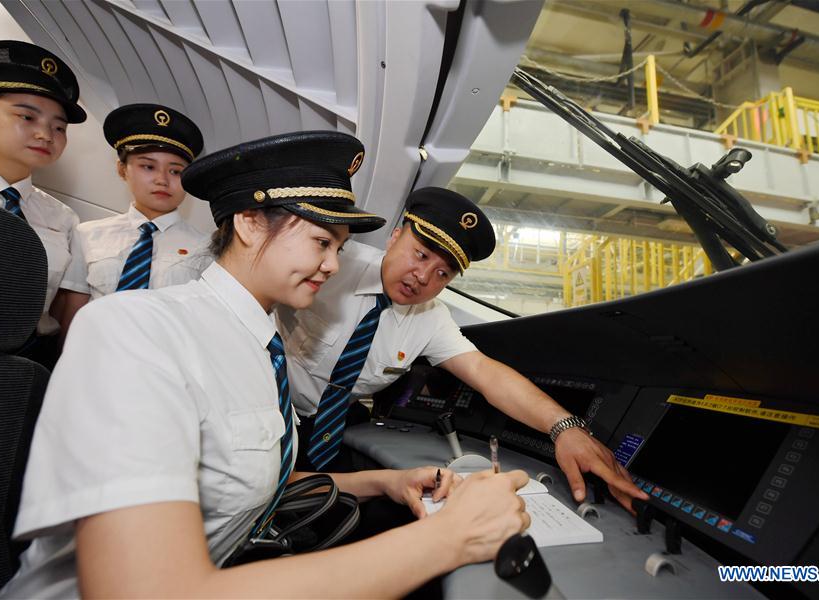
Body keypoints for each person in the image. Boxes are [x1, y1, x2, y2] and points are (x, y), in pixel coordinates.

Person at [0, 131, 530, 599]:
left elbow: (249, 480)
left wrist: (388, 481)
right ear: (250, 224)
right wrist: (448, 538)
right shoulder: (134, 332)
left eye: (340, 248)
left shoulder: (262, 343)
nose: (332, 265)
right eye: (323, 241)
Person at [277, 186, 649, 511]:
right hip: (276, 412)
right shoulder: (330, 262)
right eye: (421, 254)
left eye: (443, 273)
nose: (423, 277)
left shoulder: (430, 317)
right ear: (394, 236)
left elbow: (485, 373)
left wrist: (564, 428)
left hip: (334, 429)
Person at [56, 103, 211, 341]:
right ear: (122, 169)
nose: (161, 180)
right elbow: (72, 316)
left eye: (176, 171)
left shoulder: (207, 249)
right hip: (94, 356)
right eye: (148, 166)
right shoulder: (87, 235)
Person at [0, 40, 86, 368]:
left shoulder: (63, 219)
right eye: (27, 116)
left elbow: (66, 311)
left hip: (23, 368)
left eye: (58, 127)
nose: (45, 135)